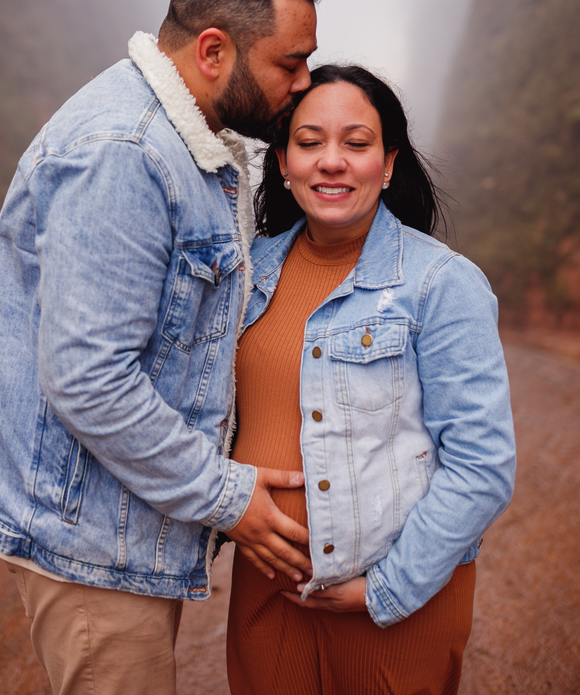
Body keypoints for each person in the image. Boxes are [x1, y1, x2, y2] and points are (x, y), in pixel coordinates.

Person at [0, 0, 325, 695]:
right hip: (87, 542)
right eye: (290, 62)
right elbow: (87, 380)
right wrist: (227, 496)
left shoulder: (202, 142)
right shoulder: (127, 152)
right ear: (213, 51)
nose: (305, 81)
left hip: (110, 518)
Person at [226, 65, 517, 694]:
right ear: (282, 161)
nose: (332, 161)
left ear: (387, 164)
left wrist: (383, 590)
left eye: (356, 144)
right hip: (268, 592)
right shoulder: (244, 275)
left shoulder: (441, 284)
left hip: (395, 601)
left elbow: (482, 465)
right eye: (309, 143)